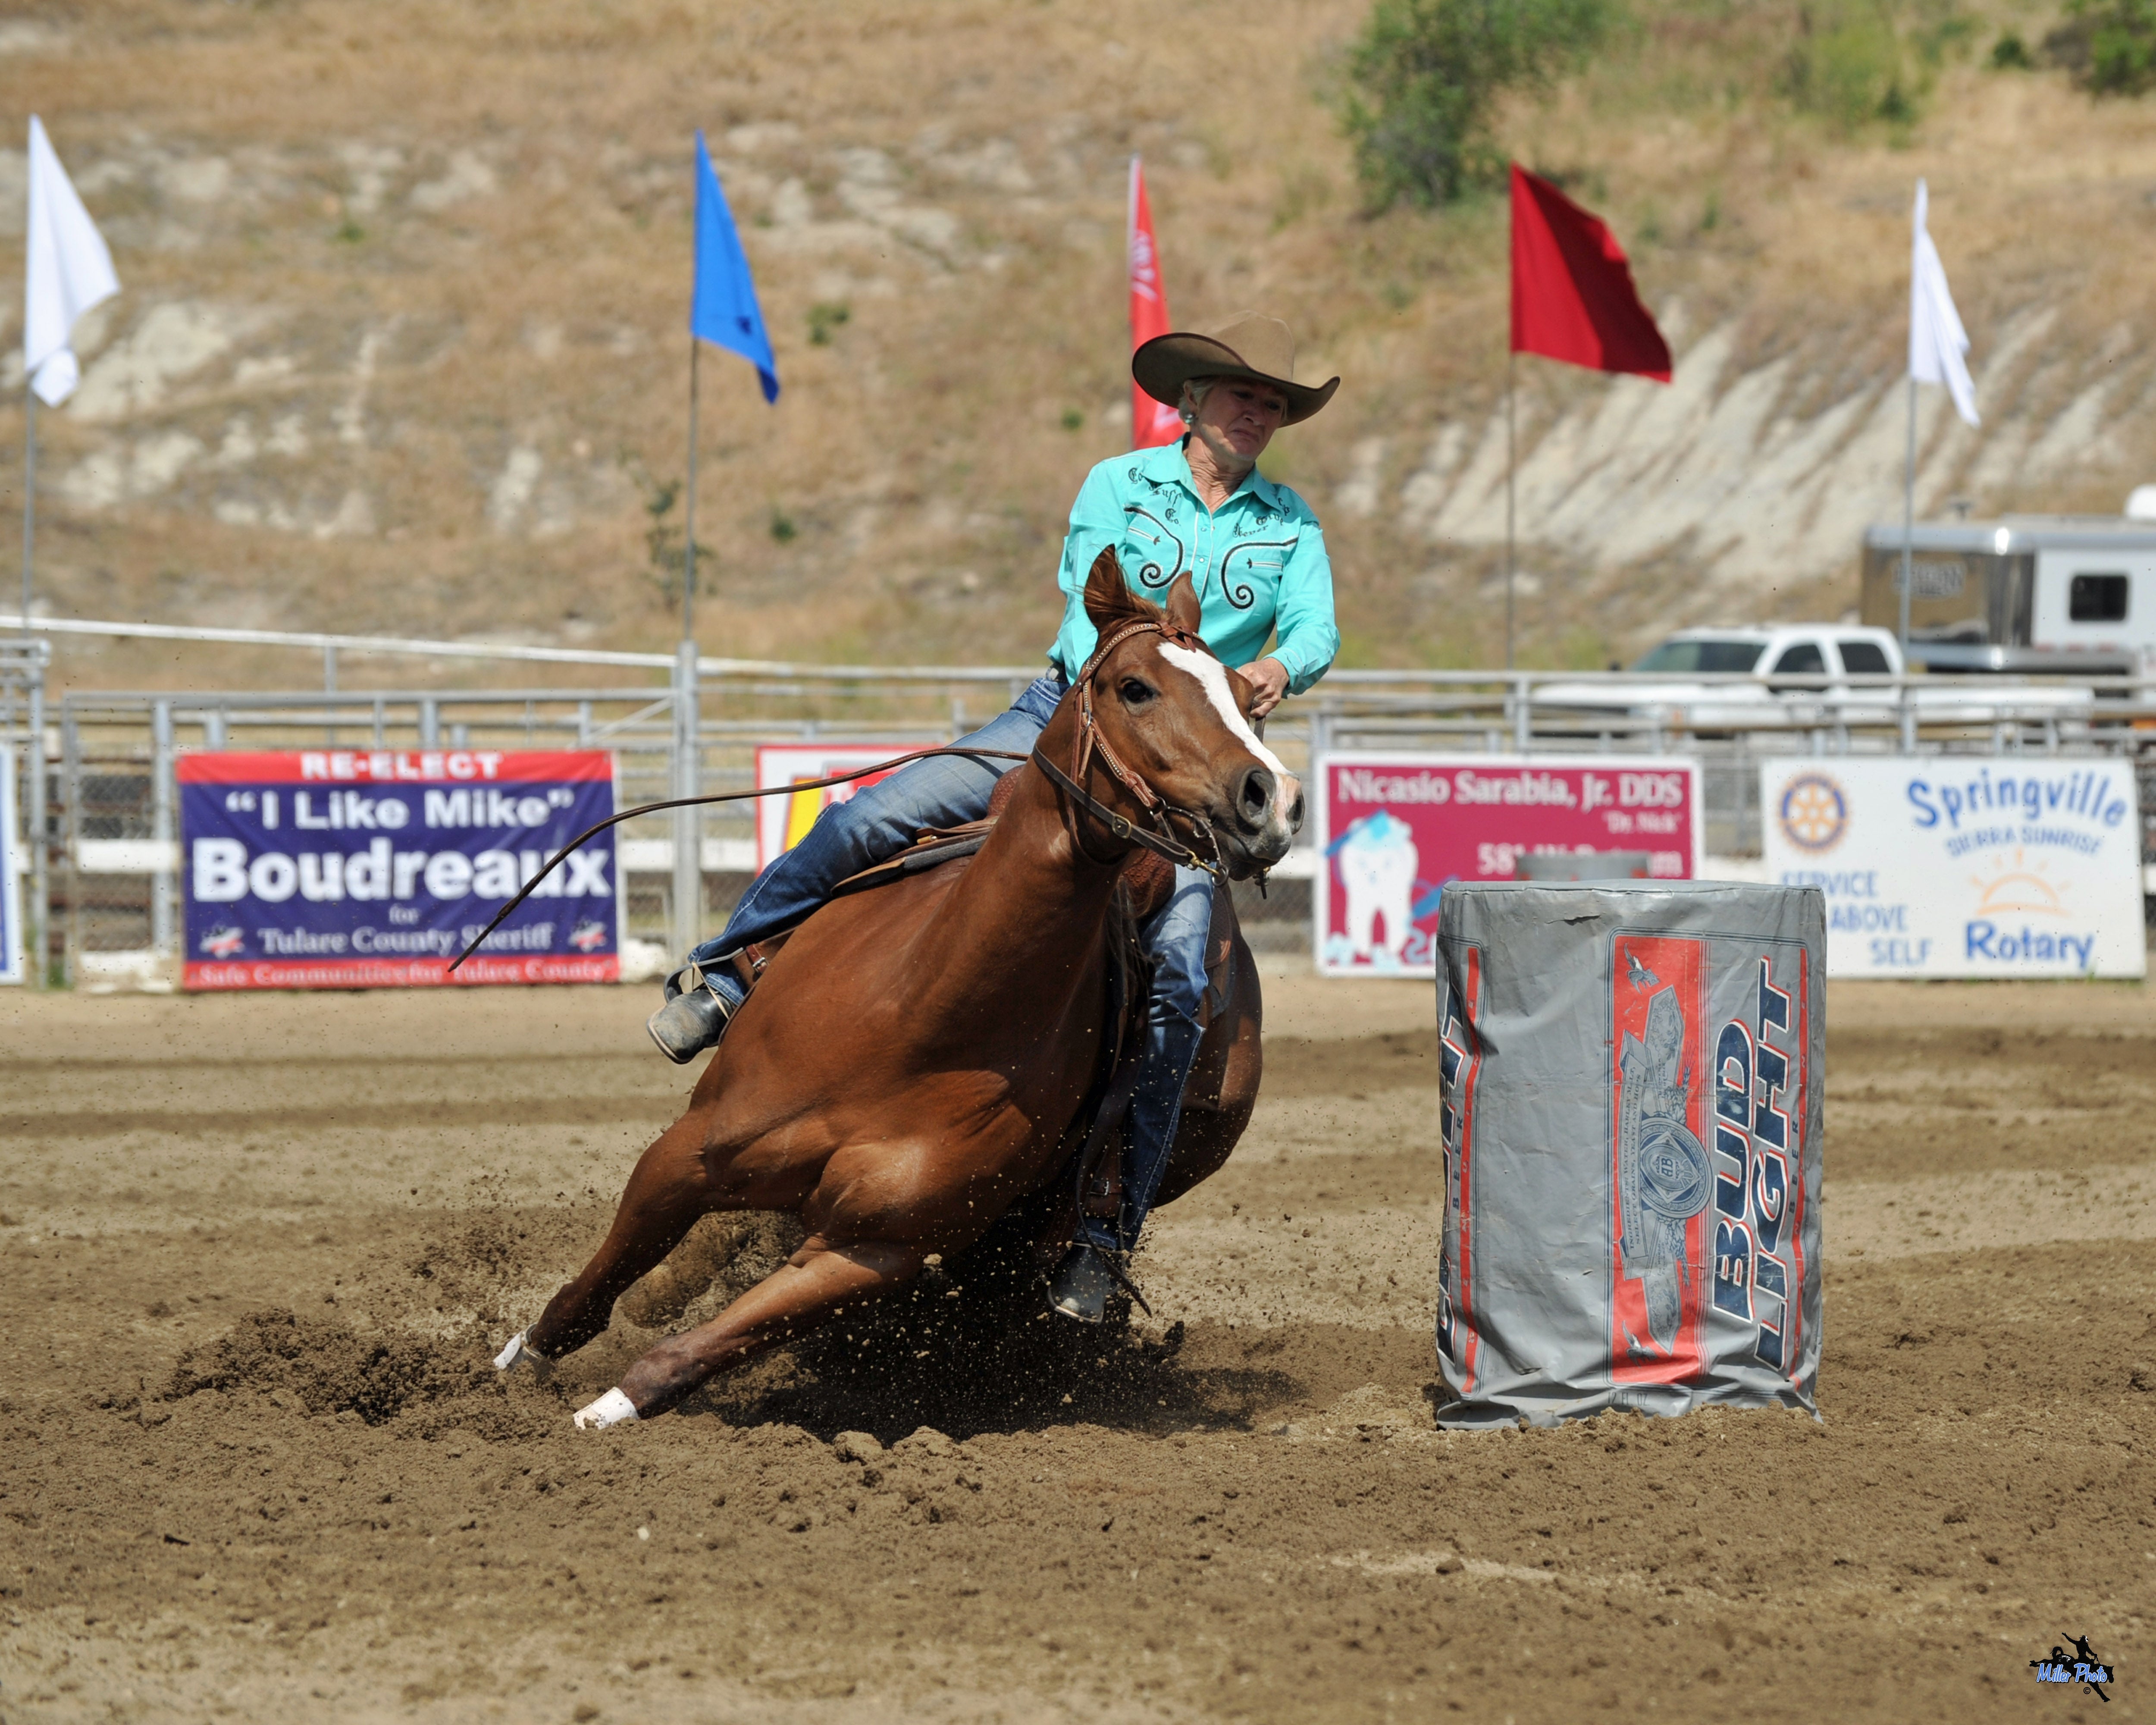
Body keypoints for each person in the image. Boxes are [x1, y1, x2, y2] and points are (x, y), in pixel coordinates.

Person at [646, 310, 1341, 1318]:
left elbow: (1315, 627)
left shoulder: (1290, 521)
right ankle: (725, 972)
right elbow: (1080, 605)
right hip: (1071, 717)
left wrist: (1269, 669)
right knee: (871, 819)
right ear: (1191, 401)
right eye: (1243, 394)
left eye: (1274, 403)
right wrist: (1124, 681)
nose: (1258, 413)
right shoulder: (1117, 484)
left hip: (1185, 771)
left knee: (1183, 978)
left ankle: (1102, 1230)